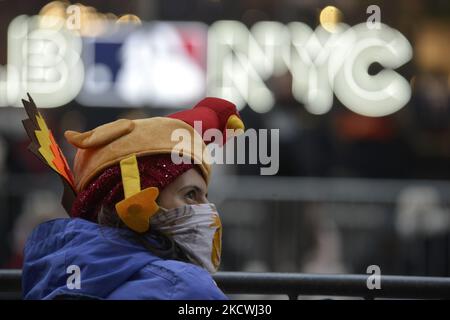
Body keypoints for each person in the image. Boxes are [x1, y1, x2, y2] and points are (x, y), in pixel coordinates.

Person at [20, 95, 244, 300]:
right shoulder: (185, 287)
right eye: (191, 195)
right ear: (131, 201)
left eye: (205, 195)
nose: (208, 209)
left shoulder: (47, 277)